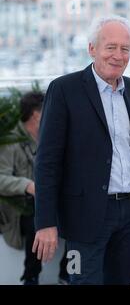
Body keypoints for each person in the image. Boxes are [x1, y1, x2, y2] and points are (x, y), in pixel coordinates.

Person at [32, 15, 130, 285]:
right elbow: (46, 161)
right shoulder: (64, 89)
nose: (118, 55)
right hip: (82, 218)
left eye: (125, 49)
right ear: (92, 49)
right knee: (81, 281)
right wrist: (45, 222)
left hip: (129, 215)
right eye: (110, 47)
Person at [0, 91, 69, 285]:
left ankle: (68, 274)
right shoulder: (12, 142)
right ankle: (31, 277)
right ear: (37, 115)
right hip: (20, 210)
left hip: (50, 201)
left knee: (78, 222)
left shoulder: (53, 137)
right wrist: (28, 186)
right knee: (36, 222)